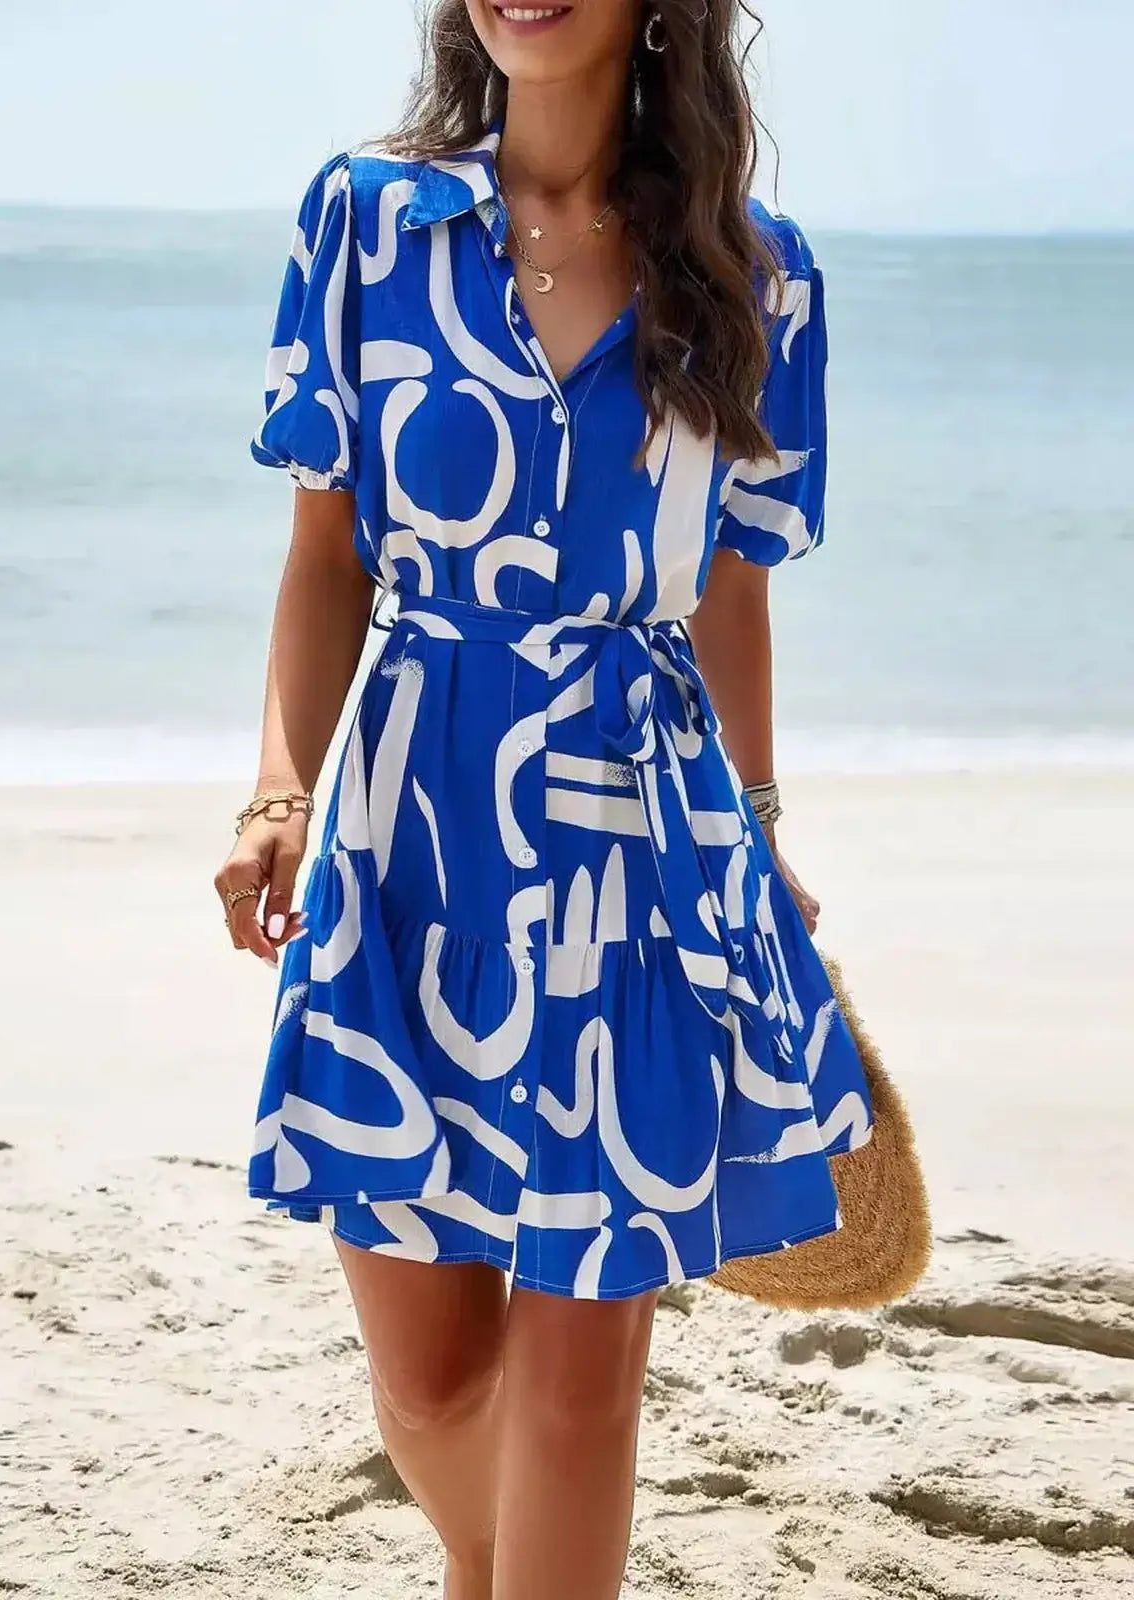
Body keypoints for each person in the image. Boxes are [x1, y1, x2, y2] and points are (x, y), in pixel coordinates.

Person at [213, 3, 875, 1596]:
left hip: (635, 843)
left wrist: (765, 832)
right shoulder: (369, 218)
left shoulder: (753, 268)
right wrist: (276, 792)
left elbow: (729, 593)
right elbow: (327, 560)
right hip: (407, 840)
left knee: (582, 1389)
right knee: (435, 1382)